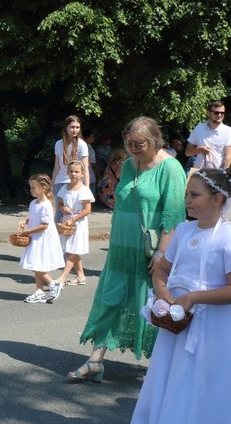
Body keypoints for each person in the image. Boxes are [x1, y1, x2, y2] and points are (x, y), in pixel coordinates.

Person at [67, 116, 186, 383]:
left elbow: (174, 215)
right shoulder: (131, 165)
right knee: (112, 298)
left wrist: (162, 254)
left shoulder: (171, 169)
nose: (133, 147)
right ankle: (95, 360)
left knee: (152, 305)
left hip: (150, 252)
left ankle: (164, 366)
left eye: (139, 143)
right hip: (122, 247)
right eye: (129, 142)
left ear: (154, 141)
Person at [131, 168, 231, 423]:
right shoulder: (184, 231)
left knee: (201, 378)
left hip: (212, 326)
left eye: (194, 195)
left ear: (217, 199)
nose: (187, 199)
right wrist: (163, 292)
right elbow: (163, 269)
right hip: (178, 321)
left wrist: (194, 297)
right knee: (171, 372)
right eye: (186, 193)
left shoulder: (227, 237)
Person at [18, 174, 65, 303]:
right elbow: (33, 217)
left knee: (35, 264)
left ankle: (52, 283)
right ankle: (39, 291)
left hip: (42, 238)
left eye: (33, 187)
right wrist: (25, 221)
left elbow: (45, 225)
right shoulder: (34, 202)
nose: (31, 190)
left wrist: (28, 231)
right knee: (36, 263)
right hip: (35, 236)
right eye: (31, 187)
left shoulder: (46, 205)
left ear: (43, 188)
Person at [56, 160, 94, 286]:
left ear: (82, 173)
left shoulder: (84, 190)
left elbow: (87, 210)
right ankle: (81, 276)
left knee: (72, 251)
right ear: (67, 172)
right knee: (70, 249)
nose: (73, 174)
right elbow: (60, 203)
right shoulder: (64, 187)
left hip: (78, 222)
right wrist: (63, 208)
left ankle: (63, 277)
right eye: (71, 171)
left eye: (77, 172)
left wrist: (72, 219)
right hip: (66, 221)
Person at [52, 115, 90, 222]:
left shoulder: (82, 144)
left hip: (75, 184)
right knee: (58, 216)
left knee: (72, 215)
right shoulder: (58, 144)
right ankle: (58, 238)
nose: (75, 130)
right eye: (72, 127)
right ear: (66, 128)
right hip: (60, 183)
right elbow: (56, 167)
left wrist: (86, 188)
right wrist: (52, 185)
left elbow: (85, 168)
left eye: (77, 127)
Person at [186, 100, 231, 169]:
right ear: (208, 113)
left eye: (222, 113)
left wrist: (221, 174)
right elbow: (187, 152)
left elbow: (228, 158)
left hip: (218, 174)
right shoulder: (199, 128)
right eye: (216, 113)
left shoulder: (228, 131)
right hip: (200, 174)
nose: (219, 115)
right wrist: (199, 150)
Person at [83, 129, 98, 196]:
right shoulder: (88, 148)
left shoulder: (87, 146)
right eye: (92, 137)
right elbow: (93, 164)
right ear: (87, 138)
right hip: (90, 175)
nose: (93, 138)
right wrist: (98, 175)